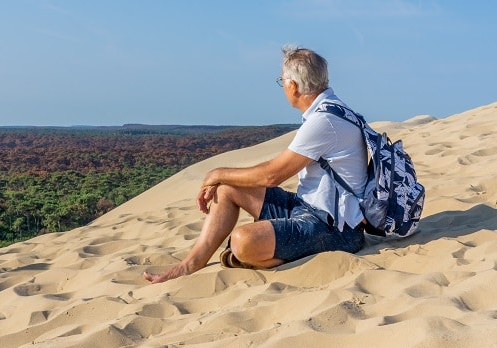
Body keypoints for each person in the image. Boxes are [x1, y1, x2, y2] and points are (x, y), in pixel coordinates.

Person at [144, 45, 368, 284]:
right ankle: (192, 263)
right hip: (305, 207)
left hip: (333, 229)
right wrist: (222, 180)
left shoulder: (325, 121)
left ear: (292, 85)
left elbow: (272, 176)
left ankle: (268, 257)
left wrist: (217, 173)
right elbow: (274, 166)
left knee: (242, 241)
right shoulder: (332, 111)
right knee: (227, 189)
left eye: (282, 80)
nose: (282, 86)